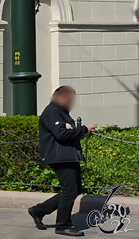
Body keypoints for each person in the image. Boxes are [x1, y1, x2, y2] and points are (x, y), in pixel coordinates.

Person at [29, 86, 96, 236]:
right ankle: (63, 225)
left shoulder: (60, 112)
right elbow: (61, 134)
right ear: (61, 97)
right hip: (60, 157)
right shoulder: (52, 112)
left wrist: (81, 130)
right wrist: (83, 129)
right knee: (70, 191)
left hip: (67, 155)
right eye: (70, 98)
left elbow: (67, 132)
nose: (72, 102)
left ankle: (38, 210)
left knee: (73, 190)